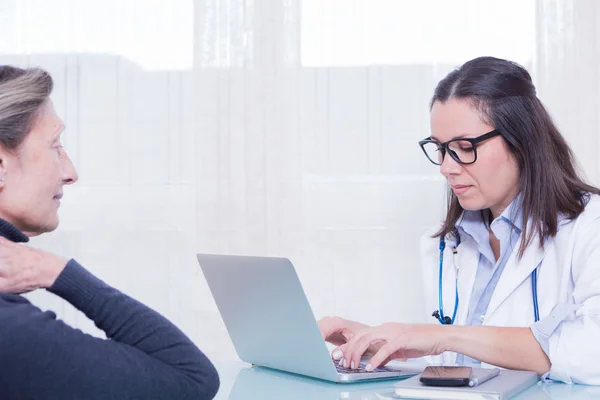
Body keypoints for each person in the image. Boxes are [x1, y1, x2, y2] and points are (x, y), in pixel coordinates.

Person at [319, 56, 600, 385]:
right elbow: (458, 363)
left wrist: (444, 336)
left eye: (465, 147)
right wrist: (378, 344)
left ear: (522, 140)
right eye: (440, 148)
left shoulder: (588, 226)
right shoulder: (445, 244)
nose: (446, 167)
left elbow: (592, 351)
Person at [0, 65, 220, 399]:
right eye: (55, 144)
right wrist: (54, 270)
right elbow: (191, 379)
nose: (70, 173)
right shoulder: (9, 327)